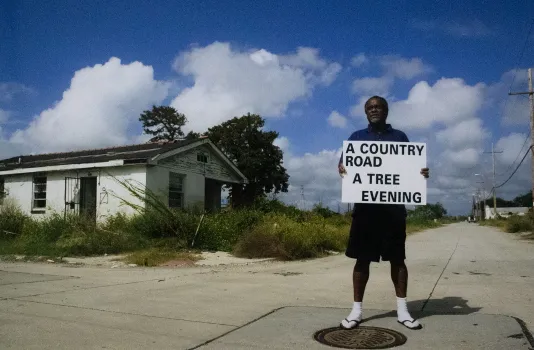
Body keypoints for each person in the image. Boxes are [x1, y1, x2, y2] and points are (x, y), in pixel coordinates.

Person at [338, 95, 429, 331]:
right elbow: (344, 166)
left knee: (398, 260)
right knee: (361, 260)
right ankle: (356, 311)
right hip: (366, 211)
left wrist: (420, 173)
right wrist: (342, 168)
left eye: (378, 106)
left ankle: (402, 311)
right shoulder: (356, 138)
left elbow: (411, 169)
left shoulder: (400, 137)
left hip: (393, 212)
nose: (374, 110)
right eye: (370, 107)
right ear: (365, 112)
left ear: (386, 110)